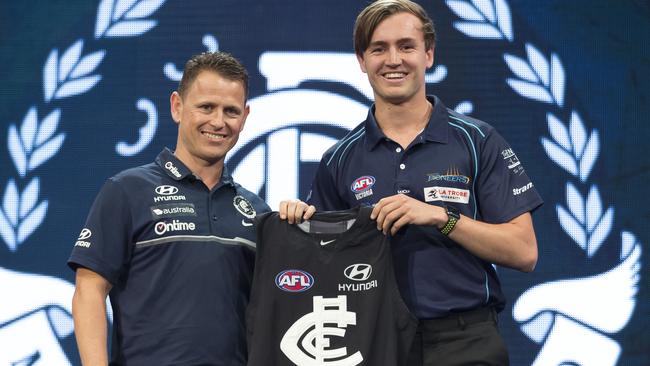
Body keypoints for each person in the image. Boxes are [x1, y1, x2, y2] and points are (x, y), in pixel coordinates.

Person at [280, 0, 543, 365]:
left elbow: (524, 252)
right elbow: (320, 268)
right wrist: (299, 221)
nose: (393, 59)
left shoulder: (478, 140)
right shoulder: (339, 159)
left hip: (465, 341)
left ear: (428, 54)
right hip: (373, 342)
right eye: (378, 48)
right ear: (361, 60)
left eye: (406, 46)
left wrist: (440, 217)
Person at [68, 52, 269, 365]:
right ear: (177, 106)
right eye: (206, 107)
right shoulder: (127, 190)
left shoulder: (257, 212)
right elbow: (89, 290)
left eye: (230, 111)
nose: (218, 121)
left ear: (244, 117)